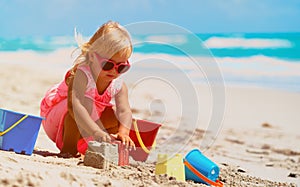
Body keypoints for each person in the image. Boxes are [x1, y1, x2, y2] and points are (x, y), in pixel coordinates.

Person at [40, 21, 135, 157]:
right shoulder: (82, 75)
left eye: (121, 67)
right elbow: (75, 106)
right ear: (92, 56)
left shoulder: (118, 84)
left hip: (89, 119)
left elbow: (124, 110)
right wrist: (96, 131)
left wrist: (124, 132)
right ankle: (69, 148)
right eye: (108, 65)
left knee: (115, 115)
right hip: (58, 119)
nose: (114, 71)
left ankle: (89, 145)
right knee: (83, 106)